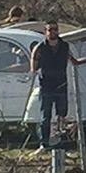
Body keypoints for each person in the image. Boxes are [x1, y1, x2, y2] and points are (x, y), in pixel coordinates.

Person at [28, 20, 72, 150]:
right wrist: (37, 72)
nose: (53, 32)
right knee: (45, 116)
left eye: (55, 29)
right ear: (45, 32)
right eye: (50, 29)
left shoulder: (65, 46)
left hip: (61, 84)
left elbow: (71, 60)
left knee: (62, 115)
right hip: (46, 85)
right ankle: (44, 143)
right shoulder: (40, 47)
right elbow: (34, 64)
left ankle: (61, 142)